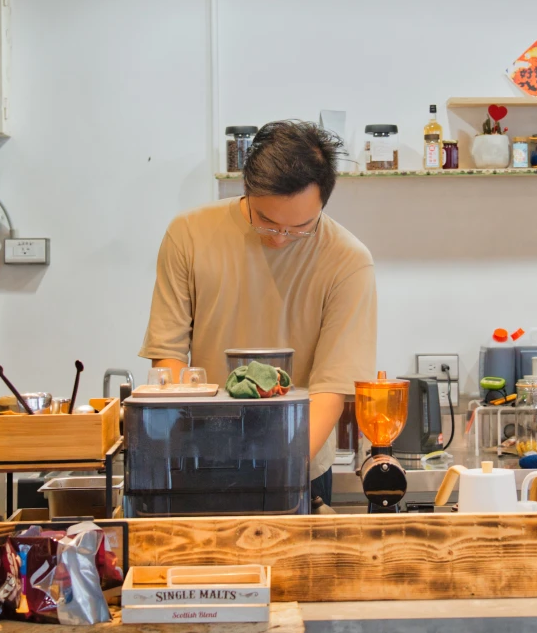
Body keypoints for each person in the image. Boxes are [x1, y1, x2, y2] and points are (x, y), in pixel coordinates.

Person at [140, 120, 376, 505]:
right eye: (265, 221)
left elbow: (330, 389)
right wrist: (194, 453)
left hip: (298, 467)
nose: (280, 238)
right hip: (201, 461)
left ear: (323, 203)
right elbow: (167, 357)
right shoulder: (189, 235)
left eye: (299, 228)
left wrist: (277, 470)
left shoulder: (348, 262)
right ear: (246, 188)